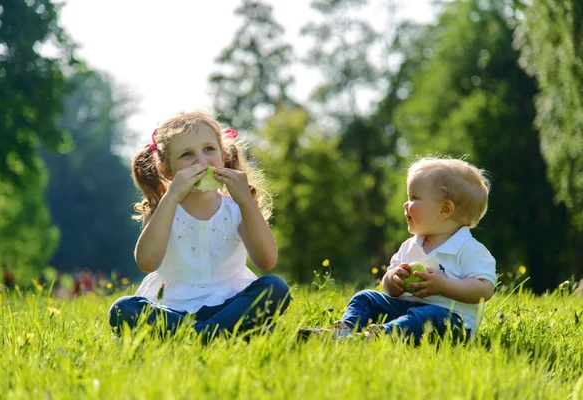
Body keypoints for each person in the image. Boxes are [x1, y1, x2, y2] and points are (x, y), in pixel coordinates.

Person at [108, 110, 291, 339]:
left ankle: (196, 336)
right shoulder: (160, 210)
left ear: (223, 155)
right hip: (174, 309)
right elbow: (147, 262)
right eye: (187, 154)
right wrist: (171, 197)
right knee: (122, 309)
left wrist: (245, 200)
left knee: (276, 287)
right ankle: (220, 335)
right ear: (167, 170)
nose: (201, 161)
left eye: (209, 149)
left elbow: (266, 261)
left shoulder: (236, 208)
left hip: (229, 305)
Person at [300, 157, 496, 344]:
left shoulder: (469, 249)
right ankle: (344, 332)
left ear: (445, 209)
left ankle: (377, 337)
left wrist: (444, 285)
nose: (405, 204)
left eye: (414, 197)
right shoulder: (410, 245)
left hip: (451, 322)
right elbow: (388, 288)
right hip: (406, 311)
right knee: (365, 298)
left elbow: (484, 289)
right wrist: (394, 279)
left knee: (426, 315)